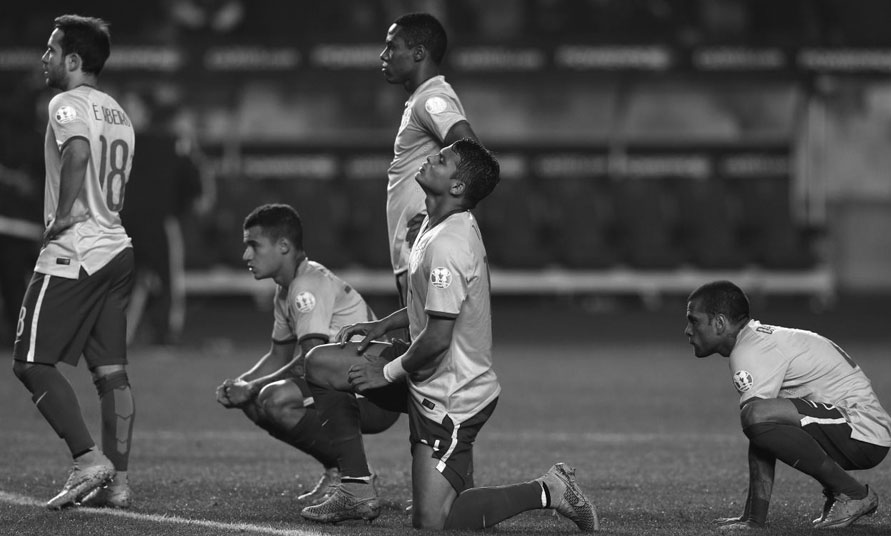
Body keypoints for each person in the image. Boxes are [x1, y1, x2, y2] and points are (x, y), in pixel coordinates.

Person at [302, 139, 599, 531]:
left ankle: (549, 489)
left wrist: (384, 372)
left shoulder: (449, 246)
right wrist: (382, 327)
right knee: (322, 363)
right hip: (425, 370)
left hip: (451, 395)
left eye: (442, 160)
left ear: (457, 187)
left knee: (433, 522)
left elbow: (438, 338)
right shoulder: (434, 220)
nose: (430, 158)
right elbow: (426, 311)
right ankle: (356, 488)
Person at [12, 15, 137, 510]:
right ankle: (119, 484)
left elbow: (80, 154)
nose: (44, 58)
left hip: (75, 252)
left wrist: (62, 217)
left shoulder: (66, 102)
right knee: (111, 374)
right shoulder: (119, 112)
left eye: (51, 49)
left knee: (29, 362)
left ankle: (88, 459)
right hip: (116, 249)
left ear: (73, 60)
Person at [215, 204, 400, 507]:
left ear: (284, 246)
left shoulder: (306, 287)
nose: (246, 255)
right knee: (257, 396)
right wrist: (241, 383)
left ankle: (354, 474)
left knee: (274, 399)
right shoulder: (286, 289)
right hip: (346, 383)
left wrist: (252, 387)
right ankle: (340, 469)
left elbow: (310, 359)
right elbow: (278, 354)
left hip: (374, 390)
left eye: (253, 245)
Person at [685, 280, 891, 529]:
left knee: (756, 414)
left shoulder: (750, 350)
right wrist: (753, 519)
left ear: (719, 323)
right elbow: (762, 434)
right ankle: (843, 492)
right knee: (758, 418)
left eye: (694, 320)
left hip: (862, 431)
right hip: (855, 429)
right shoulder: (756, 341)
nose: (687, 330)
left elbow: (757, 419)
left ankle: (852, 493)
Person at [380, 12, 479, 307]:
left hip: (419, 245)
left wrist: (437, 219)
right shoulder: (422, 99)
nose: (383, 55)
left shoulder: (430, 101)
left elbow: (474, 152)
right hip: (411, 246)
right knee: (419, 344)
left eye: (391, 46)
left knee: (427, 346)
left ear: (419, 53)